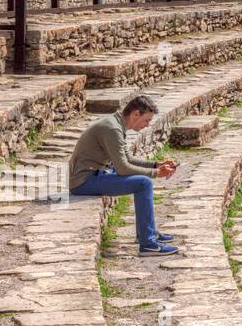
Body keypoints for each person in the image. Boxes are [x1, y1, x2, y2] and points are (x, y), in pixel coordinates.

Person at [68, 94, 179, 256]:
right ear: (135, 114)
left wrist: (155, 164)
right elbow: (123, 168)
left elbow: (127, 158)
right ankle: (148, 244)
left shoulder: (116, 124)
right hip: (83, 181)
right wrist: (155, 173)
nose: (147, 125)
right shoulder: (113, 129)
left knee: (143, 181)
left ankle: (147, 234)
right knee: (144, 183)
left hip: (95, 174)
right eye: (147, 120)